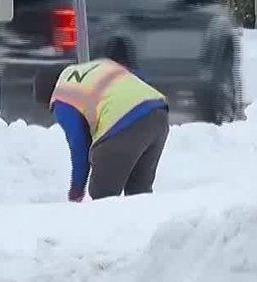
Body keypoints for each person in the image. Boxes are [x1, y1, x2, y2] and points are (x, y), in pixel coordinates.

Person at [35, 59, 171, 202]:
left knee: (102, 194)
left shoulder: (62, 95)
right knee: (138, 192)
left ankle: (112, 224)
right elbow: (136, 77)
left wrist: (76, 191)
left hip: (124, 122)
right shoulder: (100, 65)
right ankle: (144, 224)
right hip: (157, 111)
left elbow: (80, 146)